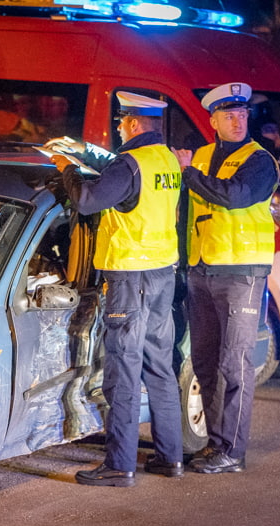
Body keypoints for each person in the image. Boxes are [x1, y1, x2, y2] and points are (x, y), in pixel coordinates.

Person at [48, 91, 184, 487]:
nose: (118, 127)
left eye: (122, 122)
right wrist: (82, 151)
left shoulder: (131, 163)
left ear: (135, 125)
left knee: (123, 370)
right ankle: (170, 457)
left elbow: (88, 199)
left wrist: (65, 167)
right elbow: (117, 169)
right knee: (159, 367)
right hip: (161, 276)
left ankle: (120, 465)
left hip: (130, 278)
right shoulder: (165, 159)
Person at [171, 82, 279, 474]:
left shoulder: (260, 160)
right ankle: (214, 445)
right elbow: (187, 215)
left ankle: (232, 451)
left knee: (235, 364)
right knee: (204, 362)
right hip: (202, 270)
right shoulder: (200, 155)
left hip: (242, 273)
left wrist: (190, 173)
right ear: (213, 120)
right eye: (229, 115)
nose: (238, 121)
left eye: (243, 114)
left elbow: (235, 196)